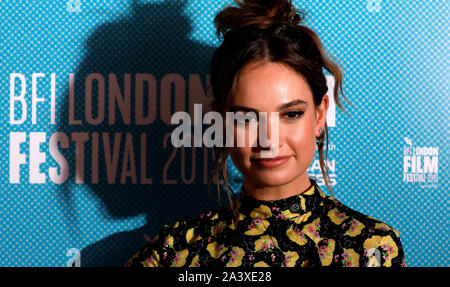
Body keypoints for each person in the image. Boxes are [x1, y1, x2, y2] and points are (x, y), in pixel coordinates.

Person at [125, 0, 406, 267]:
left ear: (320, 114)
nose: (269, 140)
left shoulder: (370, 248)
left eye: (291, 114)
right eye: (246, 119)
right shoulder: (177, 250)